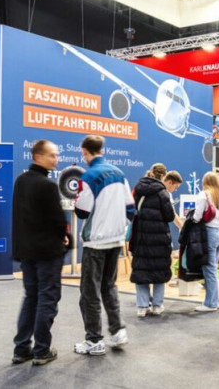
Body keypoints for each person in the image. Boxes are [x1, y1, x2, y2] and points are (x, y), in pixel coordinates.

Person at [73, 135, 135, 355]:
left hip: (96, 243)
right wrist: (118, 228)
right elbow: (130, 208)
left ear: (85, 152)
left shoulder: (88, 176)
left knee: (89, 292)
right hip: (115, 240)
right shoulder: (119, 174)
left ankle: (94, 340)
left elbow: (82, 211)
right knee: (109, 286)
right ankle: (118, 332)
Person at [11, 140, 70, 366]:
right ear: (38, 156)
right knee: (47, 298)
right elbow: (58, 220)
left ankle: (21, 349)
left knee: (31, 297)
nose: (56, 159)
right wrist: (64, 236)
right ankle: (42, 350)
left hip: (27, 251)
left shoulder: (21, 181)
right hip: (47, 251)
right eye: (52, 155)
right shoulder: (47, 185)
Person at [130, 163, 176, 317]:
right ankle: (157, 305)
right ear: (163, 175)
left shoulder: (138, 189)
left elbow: (132, 209)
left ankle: (142, 307)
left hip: (141, 236)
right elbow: (169, 216)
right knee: (159, 271)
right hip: (159, 238)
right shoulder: (163, 193)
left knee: (141, 270)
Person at [192, 171, 219, 312]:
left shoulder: (204, 194)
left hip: (209, 234)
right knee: (213, 269)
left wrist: (192, 218)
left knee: (209, 269)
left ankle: (211, 303)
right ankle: (215, 301)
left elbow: (197, 216)